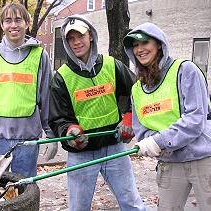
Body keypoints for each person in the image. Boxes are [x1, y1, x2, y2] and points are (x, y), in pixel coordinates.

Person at [48, 15, 146, 211]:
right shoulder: (61, 77)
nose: (76, 42)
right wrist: (69, 131)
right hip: (81, 154)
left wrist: (129, 118)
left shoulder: (113, 65)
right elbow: (58, 117)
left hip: (114, 147)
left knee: (132, 203)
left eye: (80, 36)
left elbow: (139, 93)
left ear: (91, 36)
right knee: (78, 207)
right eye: (71, 39)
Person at [123, 22, 211, 211]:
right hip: (171, 161)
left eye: (145, 42)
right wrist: (150, 142)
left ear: (159, 44)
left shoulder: (185, 70)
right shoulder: (137, 89)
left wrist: (158, 141)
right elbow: (141, 129)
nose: (140, 49)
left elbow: (195, 119)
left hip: (205, 155)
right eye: (135, 45)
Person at [0, 3, 57, 178]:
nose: (13, 25)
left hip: (28, 142)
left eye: (18, 20)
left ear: (27, 23)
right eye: (8, 20)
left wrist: (51, 134)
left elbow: (48, 99)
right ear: (2, 25)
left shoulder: (40, 56)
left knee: (23, 191)